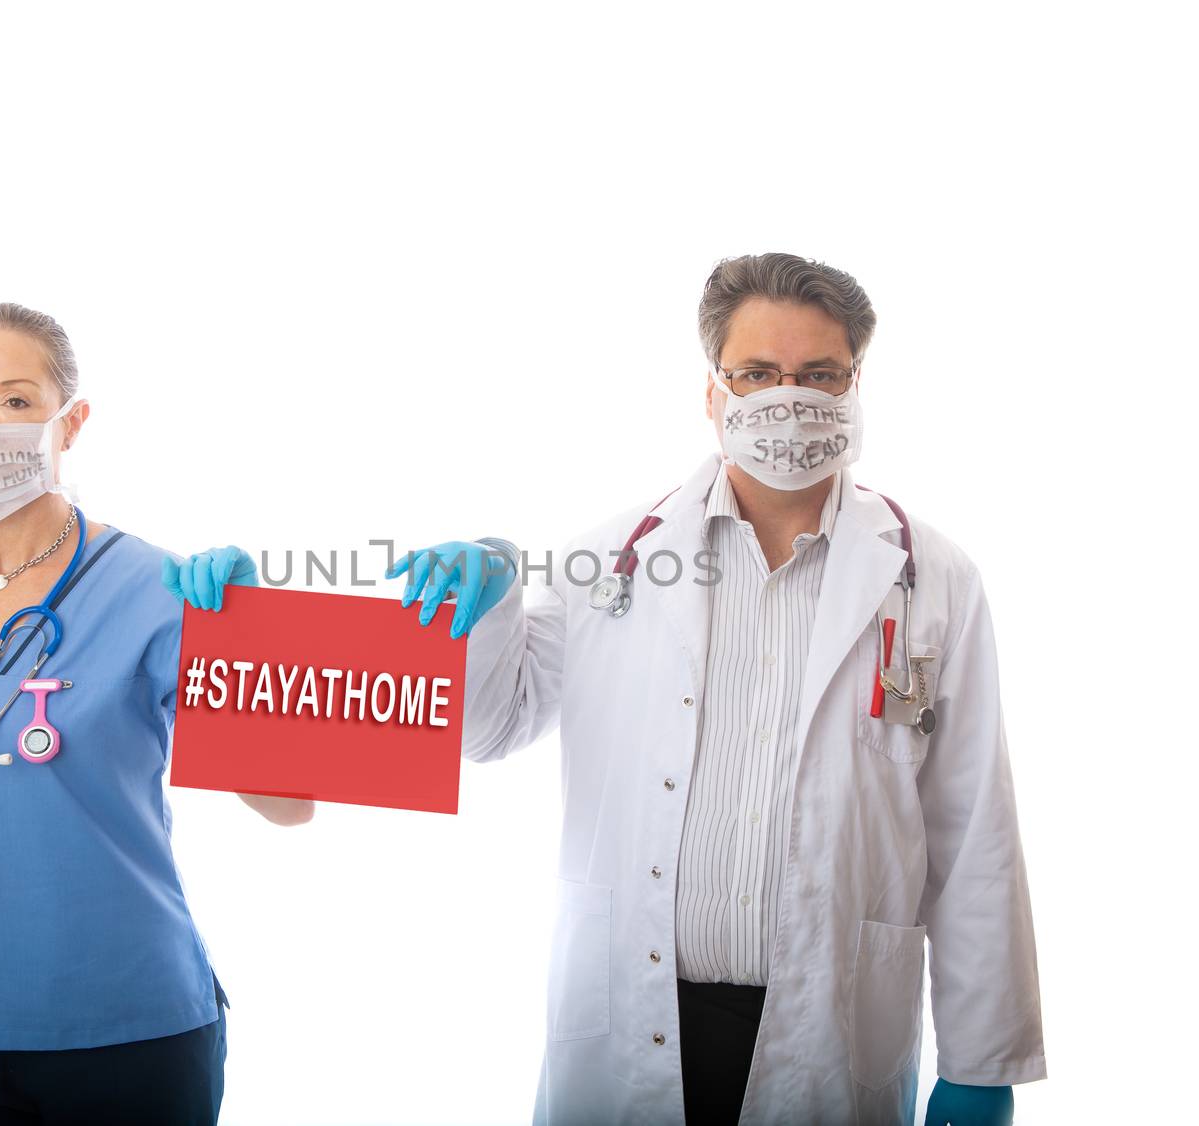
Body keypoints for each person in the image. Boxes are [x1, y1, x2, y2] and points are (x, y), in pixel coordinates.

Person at [384, 254, 1046, 1125]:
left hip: (829, 1022)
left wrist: (982, 1058)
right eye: (758, 374)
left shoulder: (935, 578)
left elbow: (973, 831)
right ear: (712, 394)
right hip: (637, 1014)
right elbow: (492, 728)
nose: (789, 397)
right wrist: (488, 605)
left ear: (855, 386)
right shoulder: (609, 563)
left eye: (818, 375)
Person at [0, 302, 299, 1126]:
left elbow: (289, 806)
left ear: (72, 421)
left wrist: (245, 639)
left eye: (16, 401)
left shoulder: (159, 592)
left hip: (126, 1029)